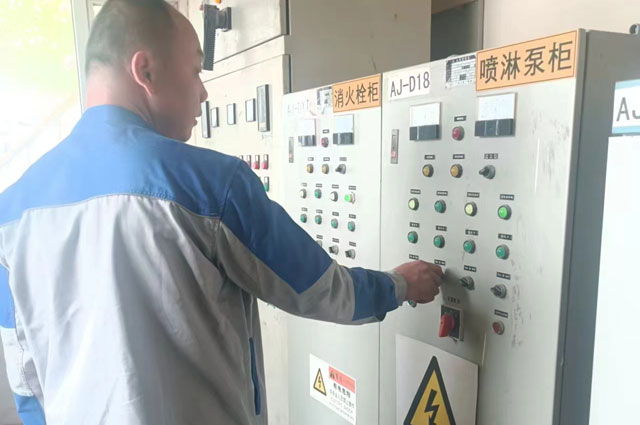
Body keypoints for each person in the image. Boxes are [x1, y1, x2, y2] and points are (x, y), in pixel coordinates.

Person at [0, 0, 443, 423]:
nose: (204, 91)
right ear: (145, 71)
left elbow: (25, 379)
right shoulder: (210, 184)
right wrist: (400, 284)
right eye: (195, 70)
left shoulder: (11, 213)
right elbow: (319, 288)